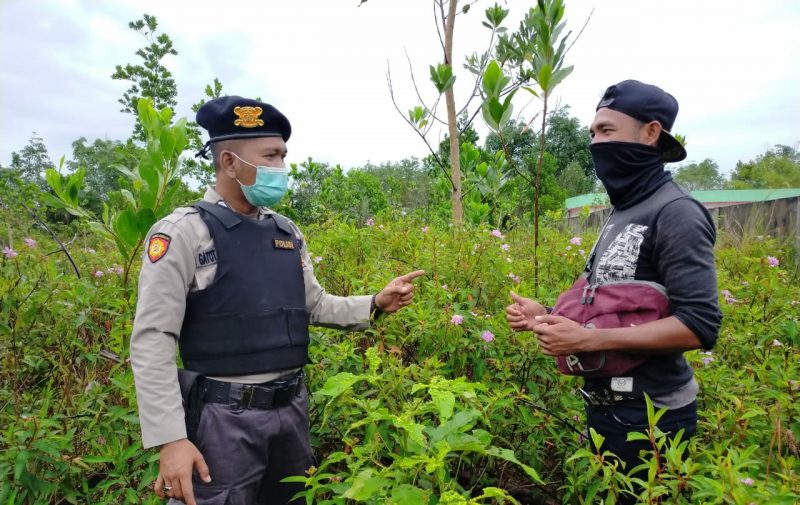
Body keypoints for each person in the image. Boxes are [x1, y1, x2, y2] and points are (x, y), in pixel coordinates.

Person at [130, 95, 424, 505]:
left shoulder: (285, 232)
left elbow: (314, 304)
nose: (281, 168)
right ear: (229, 162)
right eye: (270, 156)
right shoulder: (183, 233)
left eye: (283, 155)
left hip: (290, 412)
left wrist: (374, 302)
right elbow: (152, 339)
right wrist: (171, 439)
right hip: (221, 420)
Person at [505, 80, 722, 498]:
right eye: (593, 133)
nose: (595, 142)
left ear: (651, 133)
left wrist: (589, 339)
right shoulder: (623, 211)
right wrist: (546, 314)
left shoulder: (676, 212)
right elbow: (616, 304)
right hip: (607, 410)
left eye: (606, 131)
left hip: (653, 418)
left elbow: (699, 325)